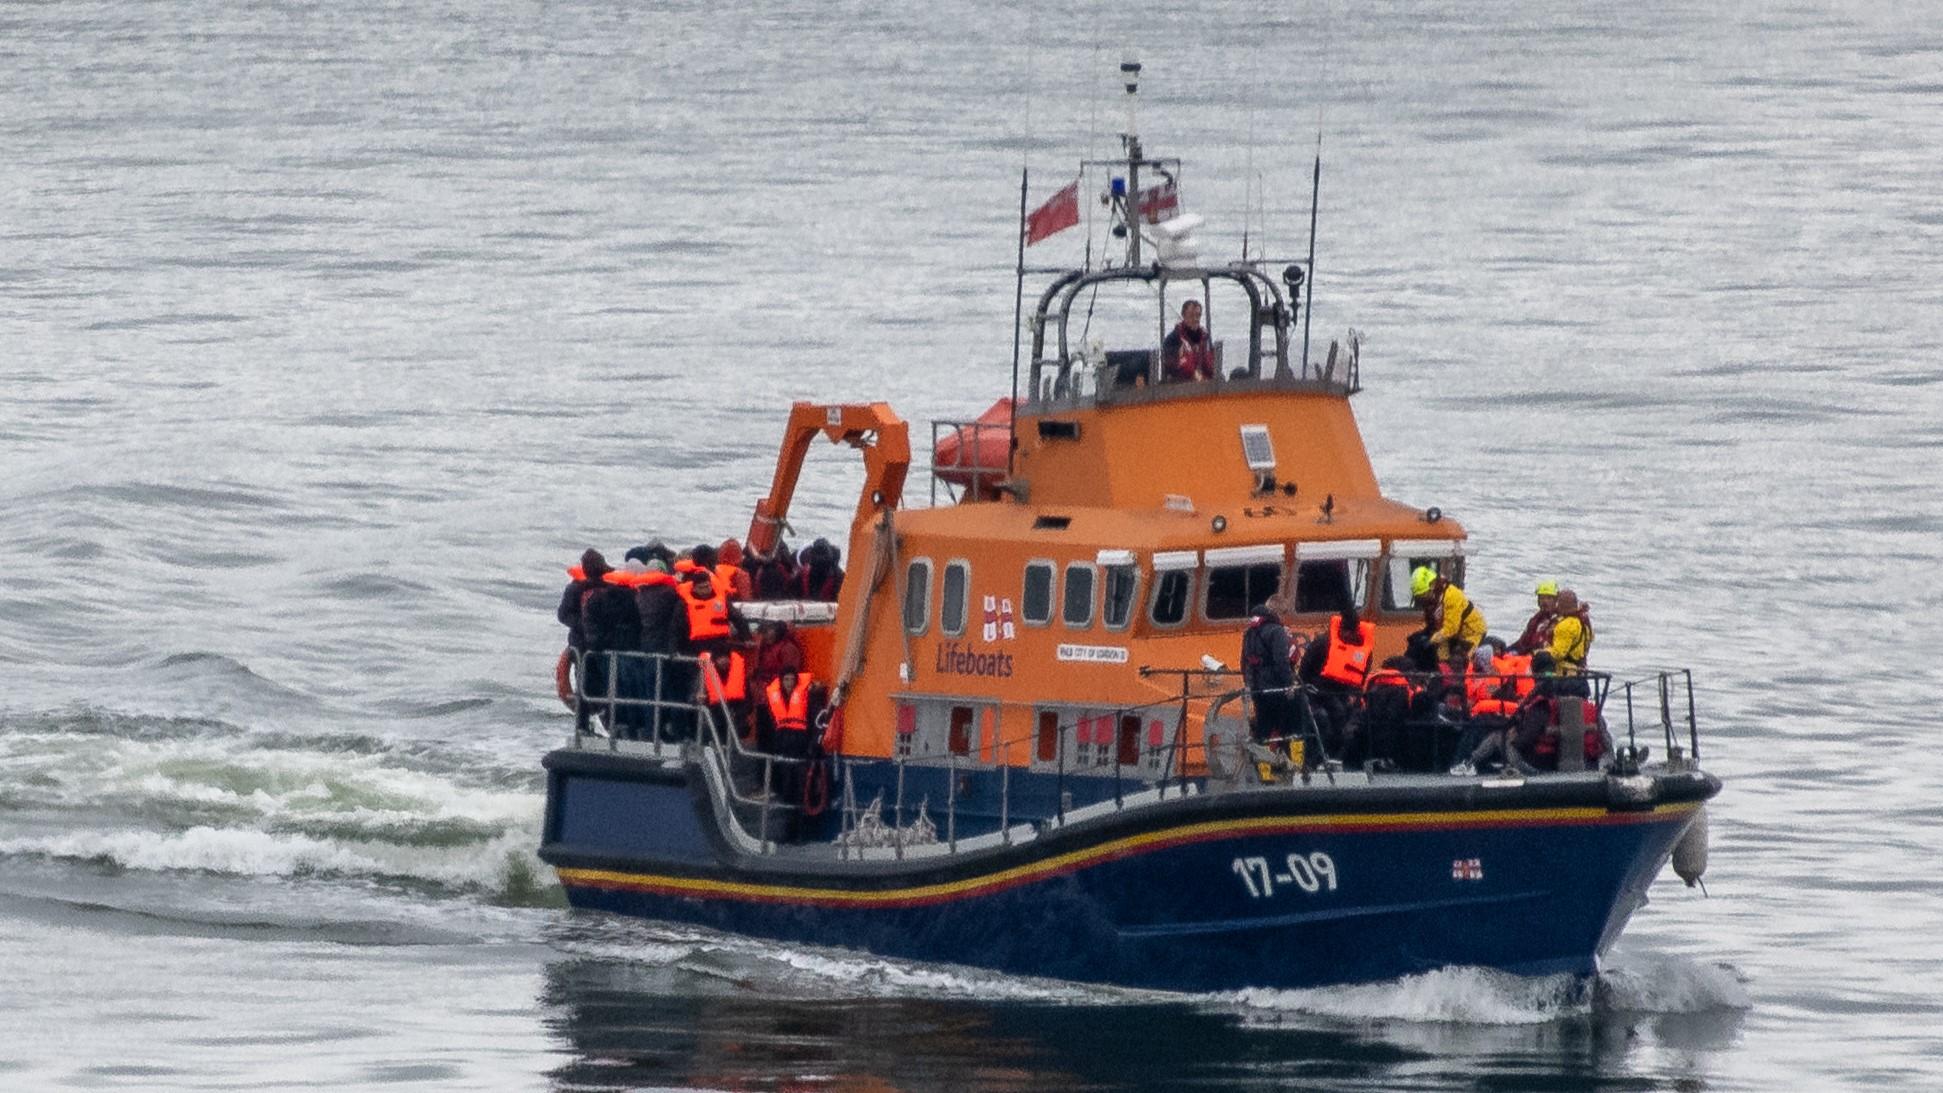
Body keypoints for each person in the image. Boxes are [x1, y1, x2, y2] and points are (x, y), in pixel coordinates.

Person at [753, 669, 828, 834]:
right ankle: (788, 830)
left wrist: (812, 747)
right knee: (786, 791)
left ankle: (800, 831)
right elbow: (770, 728)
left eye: (791, 679)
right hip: (783, 751)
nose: (788, 683)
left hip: (802, 752)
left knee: (801, 792)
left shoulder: (807, 700)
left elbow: (816, 723)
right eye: (785, 679)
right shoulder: (775, 700)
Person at [1298, 604, 1375, 761]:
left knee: (1352, 718)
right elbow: (1305, 670)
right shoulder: (1322, 643)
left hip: (1345, 693)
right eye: (1347, 632)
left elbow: (1362, 674)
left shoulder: (1362, 649)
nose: (1349, 636)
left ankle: (1346, 757)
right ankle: (1321, 758)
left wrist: (1355, 694)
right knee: (1326, 719)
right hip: (1318, 693)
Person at [632, 557, 689, 740]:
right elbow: (679, 622)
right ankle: (678, 730)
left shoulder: (639, 596)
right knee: (673, 692)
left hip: (646, 649)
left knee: (650, 693)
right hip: (666, 651)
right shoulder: (671, 595)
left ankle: (651, 730)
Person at [1241, 603, 1299, 748]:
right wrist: (1289, 684)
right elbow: (1281, 661)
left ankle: (1263, 766)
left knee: (1263, 729)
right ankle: (1290, 764)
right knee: (1288, 727)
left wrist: (1248, 685)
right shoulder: (1276, 631)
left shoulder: (1249, 633)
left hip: (1256, 687)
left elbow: (1244, 662)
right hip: (1275, 687)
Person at [1410, 565, 1486, 668]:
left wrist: (1431, 640)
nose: (1422, 600)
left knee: (1461, 661)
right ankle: (1443, 673)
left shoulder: (1451, 596)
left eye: (1423, 595)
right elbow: (1438, 628)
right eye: (1419, 597)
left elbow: (1451, 629)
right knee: (1438, 657)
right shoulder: (1432, 602)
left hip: (1471, 632)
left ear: (1431, 587)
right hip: (1449, 633)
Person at [1161, 299, 1215, 383]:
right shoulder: (1172, 339)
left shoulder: (1206, 337)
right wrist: (1194, 375)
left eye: (1198, 315)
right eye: (1191, 315)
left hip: (1206, 384)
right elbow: (1171, 366)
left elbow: (1212, 362)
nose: (1195, 319)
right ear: (1183, 316)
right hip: (1181, 386)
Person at [1547, 589, 1594, 675]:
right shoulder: (1584, 622)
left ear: (1560, 605)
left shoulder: (1566, 625)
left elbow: (1558, 653)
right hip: (1581, 674)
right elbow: (1591, 638)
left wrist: (1541, 652)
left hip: (1565, 675)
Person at [1510, 580, 1560, 655]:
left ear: (1556, 600)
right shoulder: (1536, 619)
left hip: (1545, 660)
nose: (1545, 602)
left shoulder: (1560, 621)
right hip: (1528, 656)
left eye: (1549, 598)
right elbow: (1522, 642)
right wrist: (1507, 651)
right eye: (1542, 598)